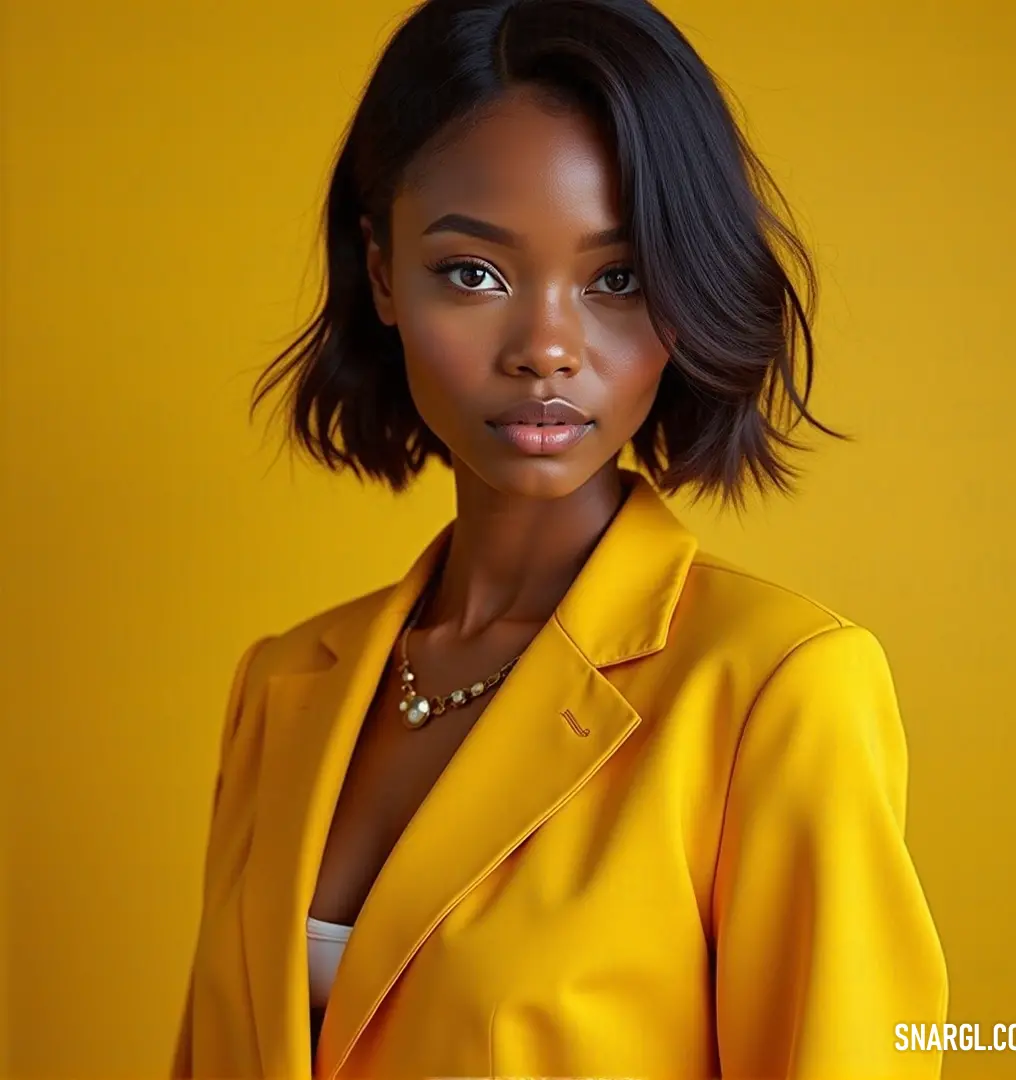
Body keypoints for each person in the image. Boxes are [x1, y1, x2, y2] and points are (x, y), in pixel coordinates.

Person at [171, 0, 948, 1076]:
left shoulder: (779, 690)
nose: (545, 348)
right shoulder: (282, 685)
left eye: (616, 278)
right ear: (385, 272)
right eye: (474, 272)